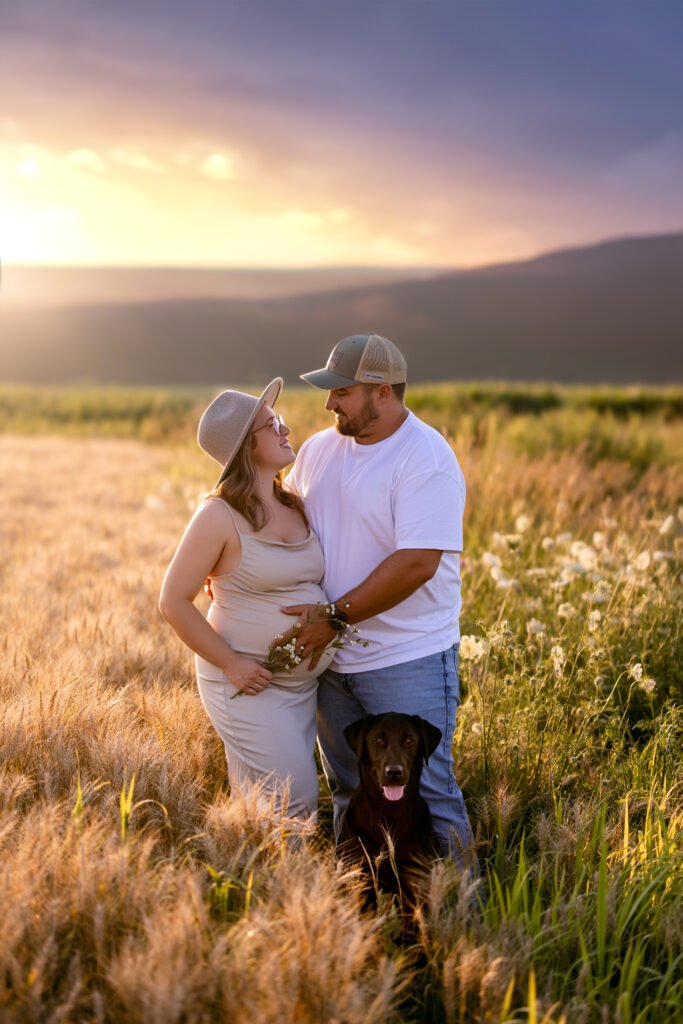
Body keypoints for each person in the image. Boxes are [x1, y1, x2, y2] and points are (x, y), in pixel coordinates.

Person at [283, 334, 475, 862]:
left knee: (430, 796)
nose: (329, 404)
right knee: (352, 793)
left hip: (405, 659)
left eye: (340, 392)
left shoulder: (425, 458)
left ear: (382, 392)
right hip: (331, 662)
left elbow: (418, 563)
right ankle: (366, 923)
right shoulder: (321, 450)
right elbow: (287, 522)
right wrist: (228, 563)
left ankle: (457, 922)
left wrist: (334, 617)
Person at [159, 379, 336, 819]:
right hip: (247, 682)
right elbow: (173, 601)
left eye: (280, 420)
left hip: (300, 688)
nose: (285, 429)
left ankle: (258, 882)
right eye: (271, 424)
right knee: (292, 801)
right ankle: (291, 887)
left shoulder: (294, 502)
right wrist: (233, 663)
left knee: (261, 807)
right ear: (245, 448)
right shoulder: (217, 515)